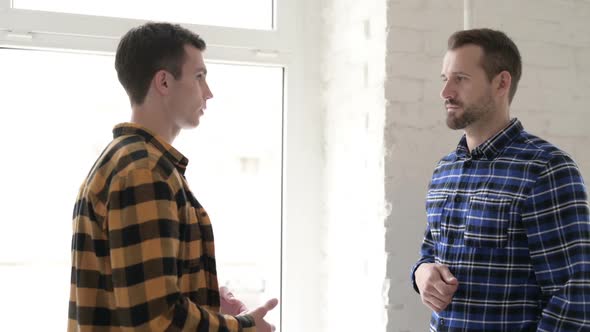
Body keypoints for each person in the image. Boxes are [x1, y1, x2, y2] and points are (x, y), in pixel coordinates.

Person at [68, 22, 277, 331]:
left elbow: (145, 294)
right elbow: (156, 320)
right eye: (199, 77)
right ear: (164, 82)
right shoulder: (144, 173)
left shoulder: (132, 161)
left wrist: (204, 296)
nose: (209, 92)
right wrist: (243, 327)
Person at [411, 28, 590, 331]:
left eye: (461, 79)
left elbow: (575, 296)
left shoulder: (546, 169)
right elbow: (430, 251)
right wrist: (422, 272)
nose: (446, 92)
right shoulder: (445, 170)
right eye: (445, 79)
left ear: (501, 83)